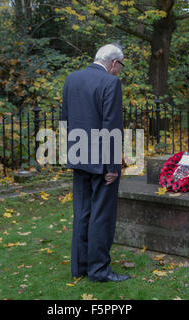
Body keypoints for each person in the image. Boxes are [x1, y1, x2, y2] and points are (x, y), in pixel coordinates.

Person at [60, 43, 130, 282]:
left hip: (78, 155)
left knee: (82, 213)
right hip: (101, 161)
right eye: (121, 66)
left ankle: (79, 267)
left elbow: (65, 119)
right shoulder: (111, 83)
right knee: (101, 215)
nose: (120, 71)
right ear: (114, 63)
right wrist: (112, 167)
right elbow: (111, 126)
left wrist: (68, 154)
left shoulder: (72, 79)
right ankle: (99, 270)